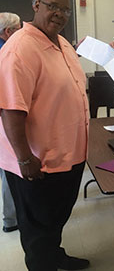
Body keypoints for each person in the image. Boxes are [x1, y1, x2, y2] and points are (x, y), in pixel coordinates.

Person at [0, 0, 90, 270]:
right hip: (38, 161)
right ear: (36, 4)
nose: (60, 14)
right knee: (37, 227)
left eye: (65, 10)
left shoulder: (60, 43)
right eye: (53, 6)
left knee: (55, 217)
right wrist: (25, 158)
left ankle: (55, 256)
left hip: (66, 155)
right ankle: (43, 263)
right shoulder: (20, 47)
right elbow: (10, 109)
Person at [0, 12, 21, 233]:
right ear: (8, 32)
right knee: (10, 167)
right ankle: (11, 219)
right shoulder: (7, 52)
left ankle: (10, 218)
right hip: (6, 119)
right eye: (18, 28)